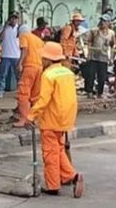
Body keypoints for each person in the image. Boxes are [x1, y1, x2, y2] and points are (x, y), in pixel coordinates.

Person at [27, 42, 85, 198]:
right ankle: (72, 176)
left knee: (50, 154)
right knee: (59, 151)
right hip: (65, 119)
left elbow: (44, 100)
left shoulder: (48, 75)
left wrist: (31, 115)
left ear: (47, 58)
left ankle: (53, 186)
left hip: (51, 120)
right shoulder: (67, 73)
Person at [13, 24, 45, 127]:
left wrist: (20, 63)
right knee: (35, 95)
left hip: (29, 67)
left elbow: (24, 49)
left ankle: (24, 119)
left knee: (23, 93)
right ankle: (35, 118)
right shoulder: (38, 40)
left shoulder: (24, 36)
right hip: (39, 67)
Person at [84, 15, 116, 99]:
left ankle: (100, 93)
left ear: (109, 23)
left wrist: (111, 57)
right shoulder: (94, 31)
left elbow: (113, 46)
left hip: (104, 57)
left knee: (102, 77)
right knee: (91, 75)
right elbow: (89, 42)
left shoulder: (111, 33)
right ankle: (89, 92)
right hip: (93, 57)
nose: (102, 23)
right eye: (101, 21)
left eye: (105, 21)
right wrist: (88, 54)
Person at [0, 12, 21, 98]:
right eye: (12, 18)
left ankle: (20, 92)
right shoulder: (4, 28)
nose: (13, 20)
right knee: (2, 74)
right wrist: (5, 27)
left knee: (18, 75)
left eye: (15, 18)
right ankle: (0, 91)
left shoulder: (19, 29)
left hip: (16, 55)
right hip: (5, 54)